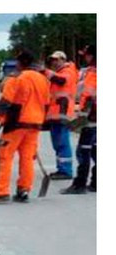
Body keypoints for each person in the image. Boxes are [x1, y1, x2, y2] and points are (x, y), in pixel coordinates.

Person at [0, 50, 50, 204]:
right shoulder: (43, 80)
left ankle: (1, 193)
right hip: (35, 124)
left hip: (16, 124)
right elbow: (46, 103)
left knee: (3, 156)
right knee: (27, 158)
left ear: (20, 63)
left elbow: (5, 102)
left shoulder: (16, 79)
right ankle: (23, 191)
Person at [61, 44, 97, 194]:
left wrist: (82, 117)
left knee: (84, 151)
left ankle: (80, 184)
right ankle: (96, 183)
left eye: (86, 55)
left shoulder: (93, 73)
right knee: (96, 151)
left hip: (92, 119)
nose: (85, 57)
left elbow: (89, 95)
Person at [43, 50, 79, 180]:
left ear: (63, 60)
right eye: (52, 60)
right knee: (58, 143)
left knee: (62, 142)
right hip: (56, 114)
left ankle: (65, 170)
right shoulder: (59, 72)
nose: (54, 62)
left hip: (62, 113)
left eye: (57, 59)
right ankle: (61, 168)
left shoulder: (68, 71)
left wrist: (45, 72)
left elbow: (61, 81)